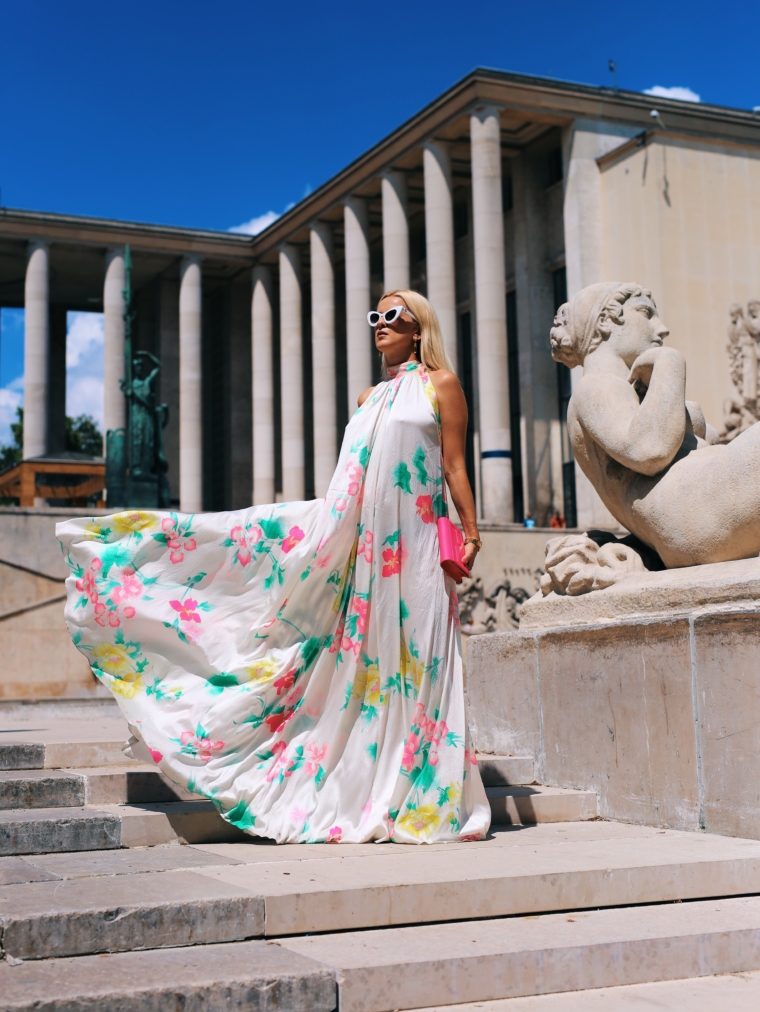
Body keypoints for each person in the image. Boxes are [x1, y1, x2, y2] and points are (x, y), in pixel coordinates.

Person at [57, 290, 490, 844]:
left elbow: (453, 464)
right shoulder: (367, 399)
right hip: (367, 556)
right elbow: (348, 485)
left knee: (423, 658)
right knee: (368, 663)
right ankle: (373, 783)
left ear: (418, 327)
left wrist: (472, 532)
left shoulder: (441, 386)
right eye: (374, 317)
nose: (380, 325)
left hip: (421, 547)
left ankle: (426, 791)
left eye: (393, 317)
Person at [549, 281, 760, 573]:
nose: (661, 329)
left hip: (699, 506)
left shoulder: (625, 392)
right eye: (646, 313)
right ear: (605, 322)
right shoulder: (595, 386)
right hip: (692, 511)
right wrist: (669, 362)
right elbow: (650, 450)